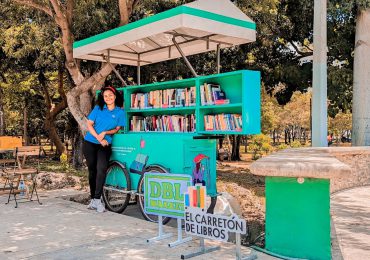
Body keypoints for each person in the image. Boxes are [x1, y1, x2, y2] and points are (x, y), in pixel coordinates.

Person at [83, 85, 125, 213]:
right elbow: (89, 124)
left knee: (101, 169)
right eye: (105, 96)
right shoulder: (98, 108)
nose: (108, 98)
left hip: (105, 144)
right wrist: (98, 137)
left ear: (115, 96)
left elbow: (117, 129)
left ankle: (97, 199)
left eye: (110, 95)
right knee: (92, 171)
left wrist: (105, 133)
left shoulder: (120, 112)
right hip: (90, 142)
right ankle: (93, 199)